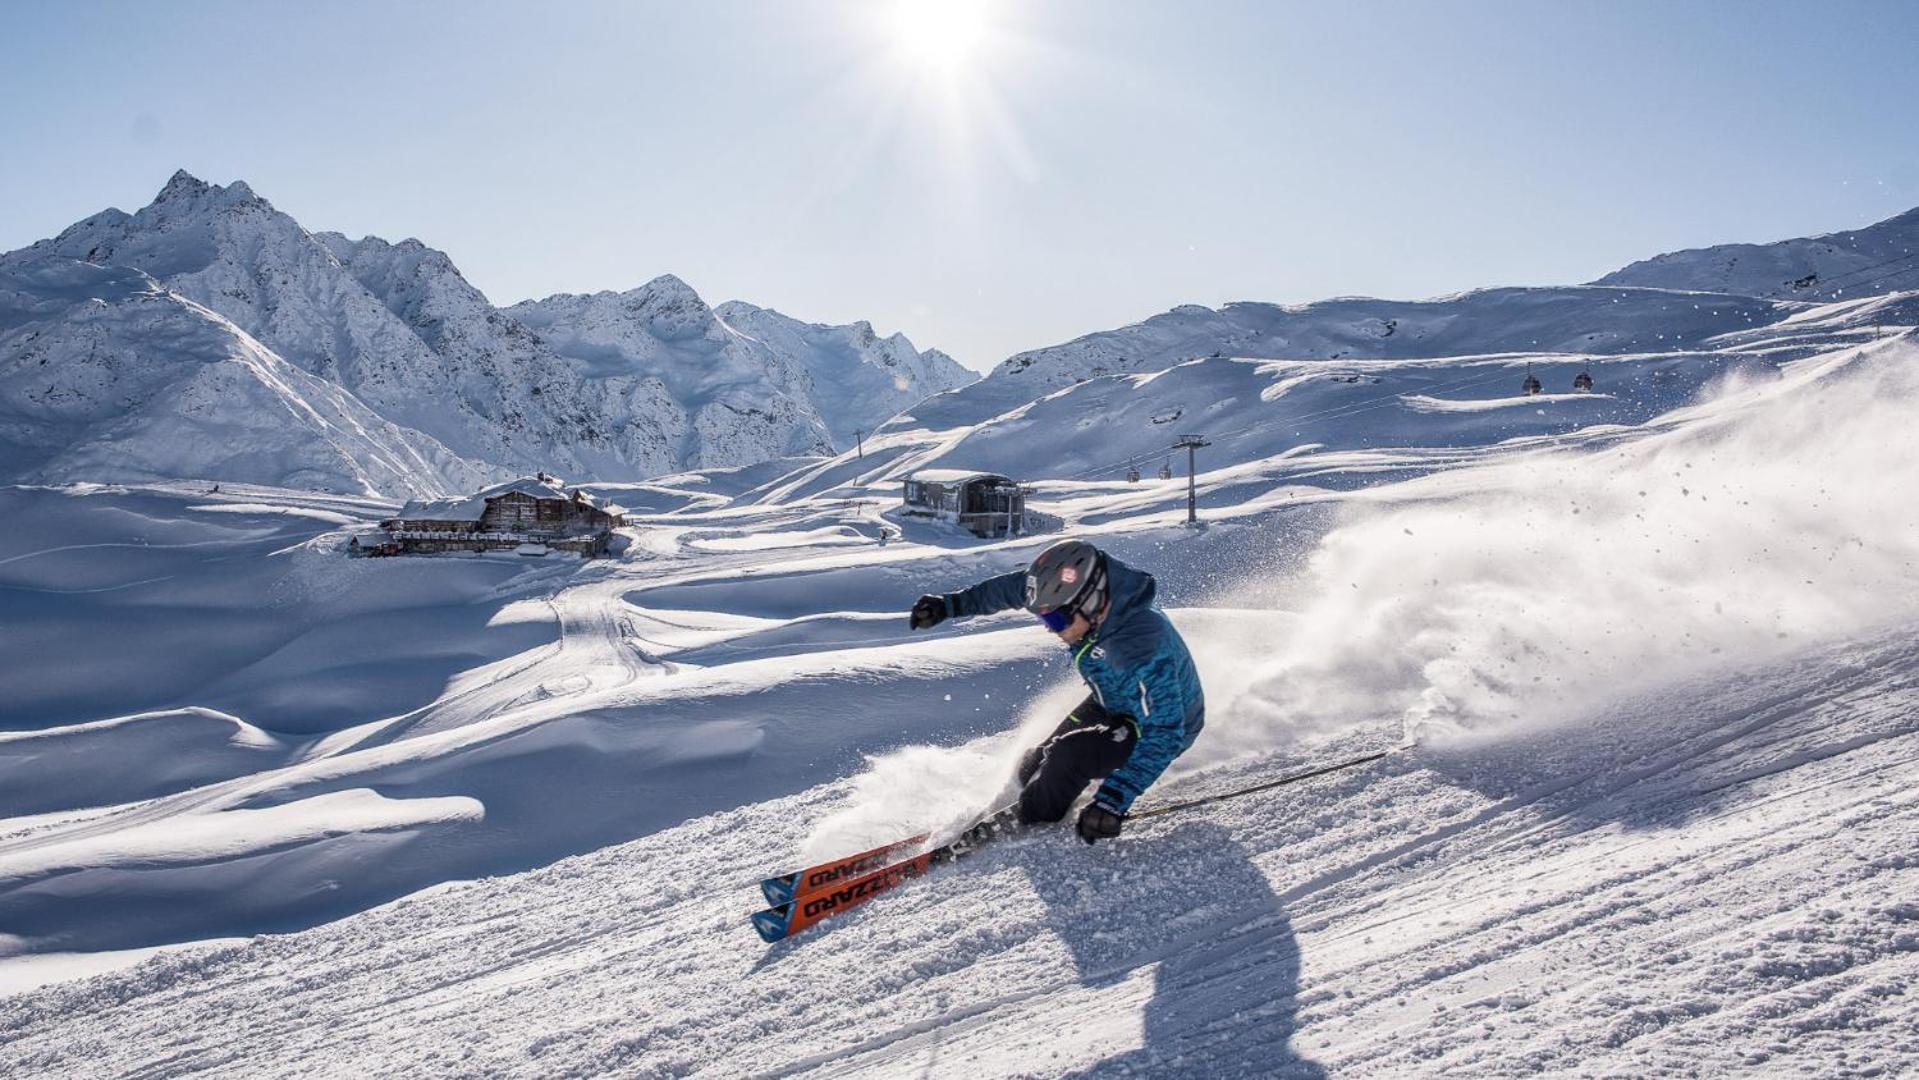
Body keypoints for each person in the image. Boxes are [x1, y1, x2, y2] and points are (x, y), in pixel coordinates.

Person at [909, 539, 1205, 844]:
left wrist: (1112, 802)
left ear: (1090, 602)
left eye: (1054, 619)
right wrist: (949, 606)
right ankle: (1017, 801)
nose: (1049, 627)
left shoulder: (1140, 645)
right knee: (1038, 758)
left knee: (1068, 757)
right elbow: (1012, 589)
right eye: (1043, 617)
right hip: (1113, 698)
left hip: (1157, 724)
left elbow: (1166, 732)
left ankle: (1033, 818)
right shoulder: (1080, 598)